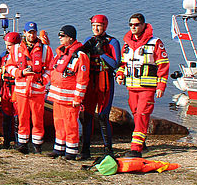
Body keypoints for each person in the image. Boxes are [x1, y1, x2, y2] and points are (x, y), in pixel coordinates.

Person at [116, 13, 169, 157]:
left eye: (136, 24)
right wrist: (120, 74)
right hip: (132, 87)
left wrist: (161, 86)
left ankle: (136, 149)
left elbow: (163, 66)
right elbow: (123, 63)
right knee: (135, 114)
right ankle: (142, 142)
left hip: (147, 87)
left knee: (142, 115)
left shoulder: (155, 42)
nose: (133, 27)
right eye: (130, 25)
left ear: (144, 25)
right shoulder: (127, 44)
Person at [4, 22, 52, 153]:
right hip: (21, 90)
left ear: (36, 33)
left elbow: (50, 69)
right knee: (22, 118)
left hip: (37, 90)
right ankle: (23, 144)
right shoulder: (15, 49)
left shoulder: (45, 50)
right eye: (29, 32)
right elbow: (9, 66)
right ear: (24, 33)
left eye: (33, 32)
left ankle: (37, 145)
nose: (31, 35)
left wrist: (44, 80)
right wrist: (21, 73)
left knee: (37, 119)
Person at [79, 15, 121, 158]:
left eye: (99, 26)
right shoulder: (88, 41)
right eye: (93, 26)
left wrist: (102, 53)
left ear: (105, 26)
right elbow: (79, 59)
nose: (96, 29)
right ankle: (85, 149)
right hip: (90, 81)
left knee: (103, 116)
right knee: (87, 116)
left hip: (105, 80)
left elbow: (116, 64)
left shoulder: (112, 42)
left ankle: (108, 150)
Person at [47, 25, 90, 160]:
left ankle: (71, 150)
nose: (60, 38)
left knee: (71, 123)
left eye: (63, 36)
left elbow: (82, 79)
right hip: (57, 96)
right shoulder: (60, 54)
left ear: (70, 38)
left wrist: (78, 98)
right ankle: (59, 148)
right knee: (58, 122)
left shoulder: (80, 56)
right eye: (60, 36)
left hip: (70, 97)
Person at [0, 31, 20, 149]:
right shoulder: (3, 56)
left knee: (17, 116)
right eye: (6, 44)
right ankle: (6, 140)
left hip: (17, 88)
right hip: (6, 88)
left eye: (9, 45)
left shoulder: (22, 57)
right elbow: (0, 74)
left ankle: (18, 141)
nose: (7, 47)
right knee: (6, 115)